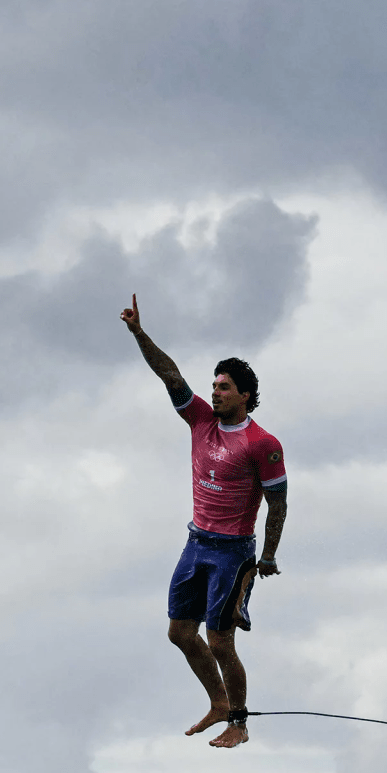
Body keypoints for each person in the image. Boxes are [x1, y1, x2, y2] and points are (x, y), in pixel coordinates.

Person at [120, 294, 287, 749]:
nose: (214, 392)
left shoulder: (262, 443)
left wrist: (268, 555)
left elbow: (278, 503)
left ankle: (239, 721)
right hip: (196, 543)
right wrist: (138, 333)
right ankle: (217, 702)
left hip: (233, 553)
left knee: (220, 641)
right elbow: (169, 374)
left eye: (224, 388)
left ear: (245, 396)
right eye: (214, 386)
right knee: (179, 633)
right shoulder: (199, 421)